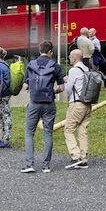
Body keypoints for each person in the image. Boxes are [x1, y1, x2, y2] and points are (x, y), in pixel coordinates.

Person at [21, 40, 65, 174]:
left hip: (34, 103)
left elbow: (25, 87)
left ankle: (29, 164)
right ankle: (46, 166)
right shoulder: (55, 66)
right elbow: (62, 88)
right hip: (49, 103)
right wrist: (53, 92)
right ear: (50, 51)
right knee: (48, 133)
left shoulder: (31, 64)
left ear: (39, 50)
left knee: (29, 133)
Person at [63, 49, 92, 169]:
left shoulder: (74, 70)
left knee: (68, 129)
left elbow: (68, 89)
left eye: (70, 56)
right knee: (82, 130)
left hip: (77, 103)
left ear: (74, 58)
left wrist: (66, 82)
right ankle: (84, 158)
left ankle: (75, 156)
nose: (69, 58)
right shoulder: (86, 69)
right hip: (88, 103)